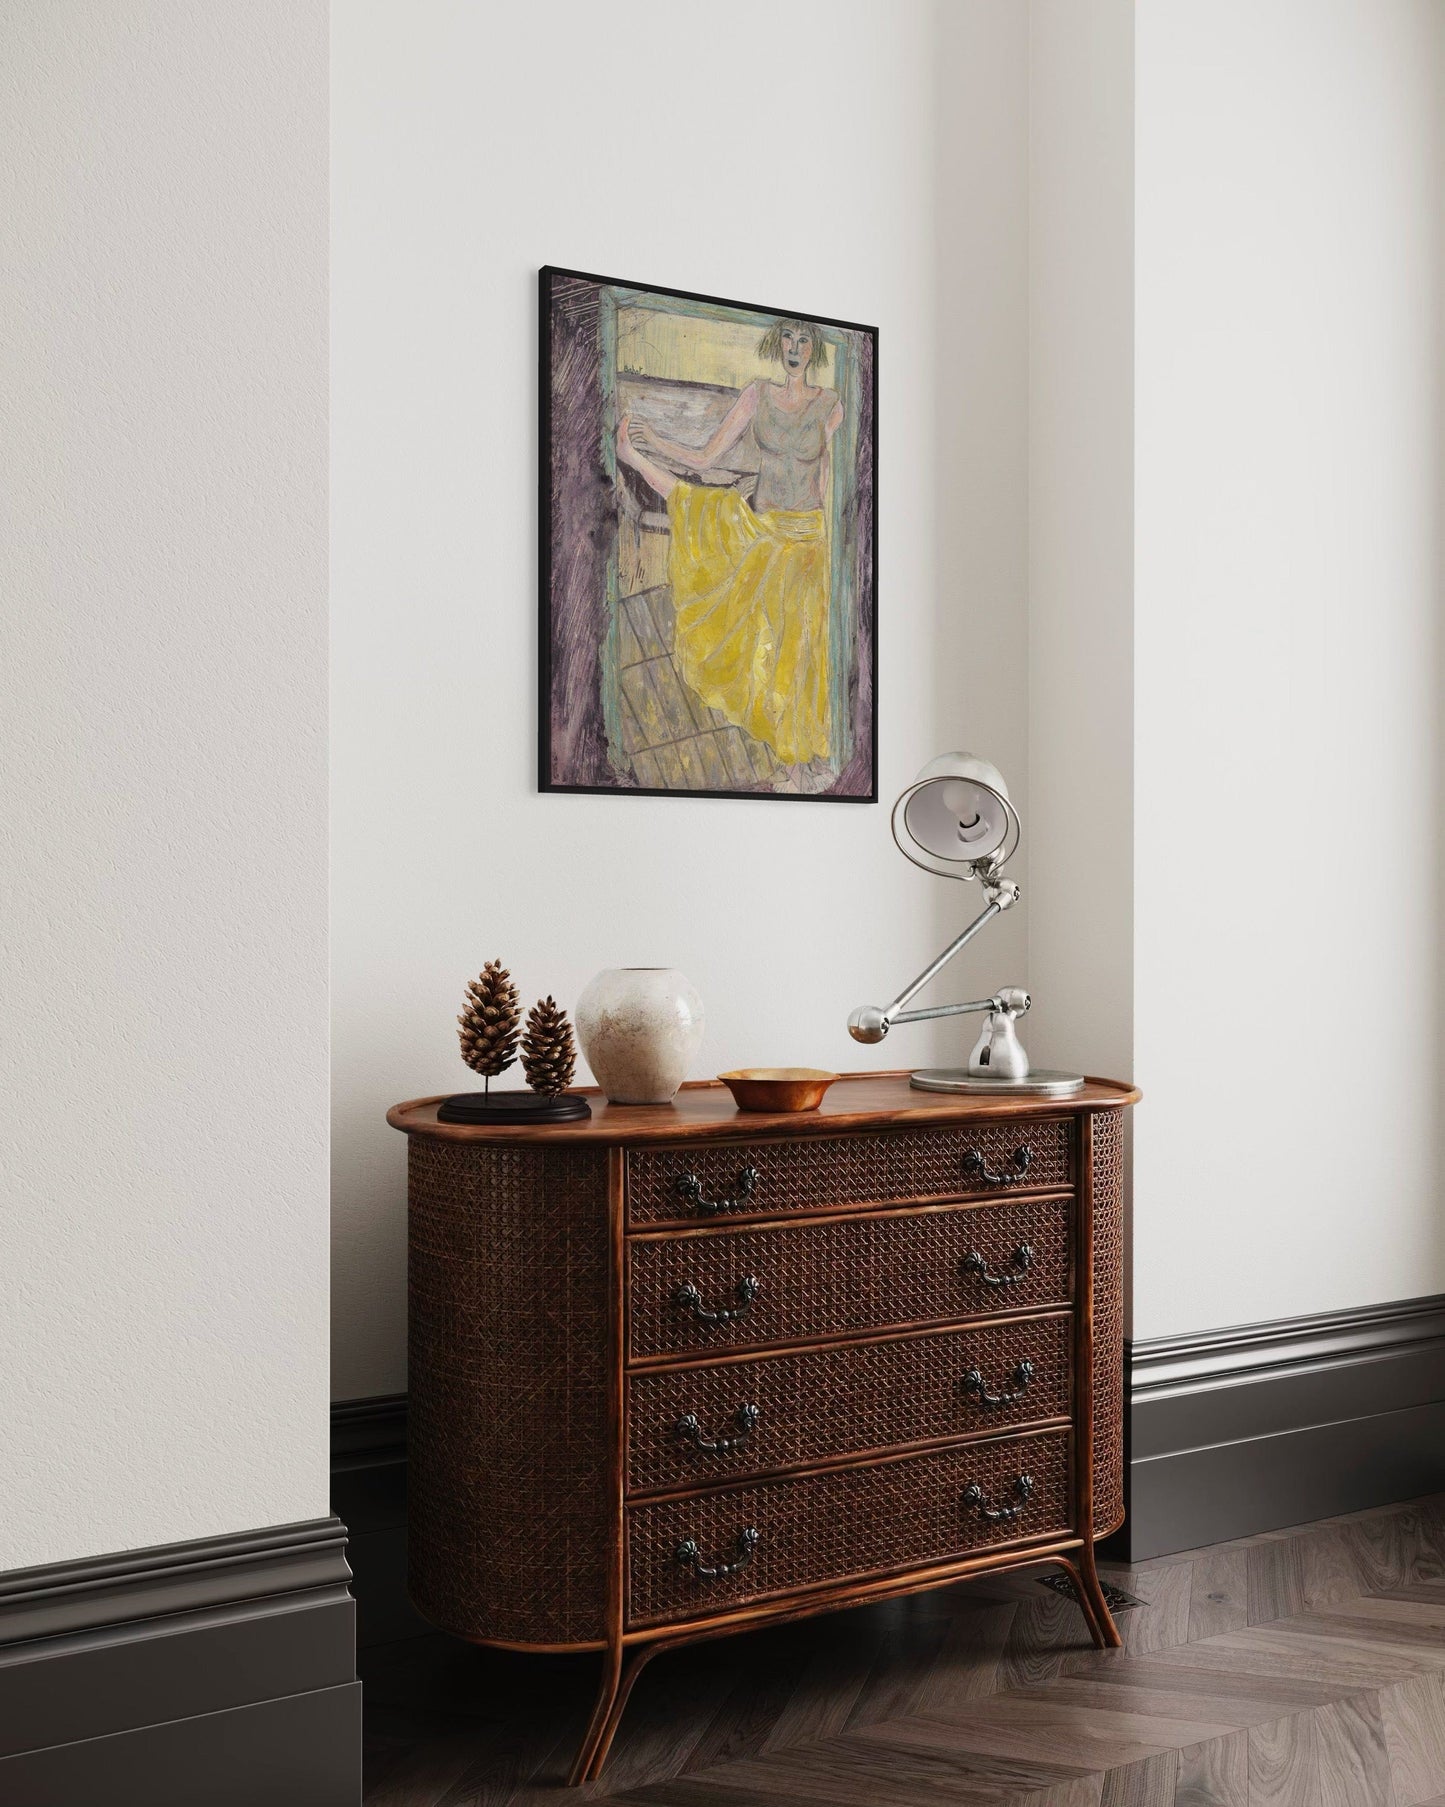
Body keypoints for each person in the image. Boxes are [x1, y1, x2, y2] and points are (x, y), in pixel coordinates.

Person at [617, 320, 843, 785]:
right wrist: (654, 443)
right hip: (767, 532)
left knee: (805, 647)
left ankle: (809, 761)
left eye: (804, 339)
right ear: (776, 343)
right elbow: (705, 458)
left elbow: (828, 482)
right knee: (705, 508)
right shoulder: (757, 395)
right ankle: (632, 457)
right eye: (787, 338)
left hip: (811, 540)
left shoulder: (832, 406)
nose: (795, 348)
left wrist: (831, 547)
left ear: (814, 347)